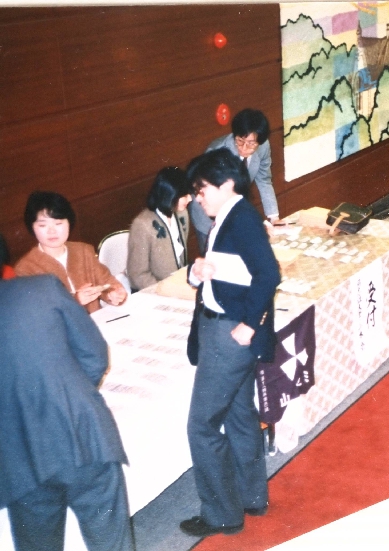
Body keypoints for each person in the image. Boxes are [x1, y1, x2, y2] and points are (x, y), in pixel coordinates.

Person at [180, 148, 281, 537]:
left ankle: (221, 513)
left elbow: (268, 274)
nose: (198, 197)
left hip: (228, 334)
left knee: (201, 426)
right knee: (239, 416)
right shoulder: (229, 216)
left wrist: (250, 326)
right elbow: (233, 274)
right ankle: (252, 497)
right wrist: (196, 273)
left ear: (226, 185)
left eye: (202, 189)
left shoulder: (241, 219)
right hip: (221, 326)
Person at [0, 274, 133, 551]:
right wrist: (74, 395)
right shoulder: (43, 287)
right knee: (111, 543)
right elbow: (94, 355)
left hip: (19, 455)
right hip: (80, 433)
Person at [15, 191, 127, 313]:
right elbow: (38, 310)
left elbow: (106, 281)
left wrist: (113, 293)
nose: (52, 231)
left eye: (58, 223)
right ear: (32, 228)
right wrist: (75, 300)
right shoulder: (26, 269)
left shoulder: (84, 251)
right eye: (42, 225)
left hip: (97, 321)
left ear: (69, 223)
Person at [190, 108, 278, 252]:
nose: (244, 148)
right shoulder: (218, 151)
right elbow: (216, 196)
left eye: (251, 144)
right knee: (214, 256)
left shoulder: (263, 147)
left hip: (232, 207)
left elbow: (264, 180)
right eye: (240, 141)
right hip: (208, 209)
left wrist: (274, 217)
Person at [127, 166, 193, 291]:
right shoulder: (142, 224)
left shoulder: (182, 214)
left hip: (177, 286)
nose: (190, 199)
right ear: (169, 195)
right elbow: (137, 275)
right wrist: (165, 290)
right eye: (184, 195)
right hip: (153, 291)